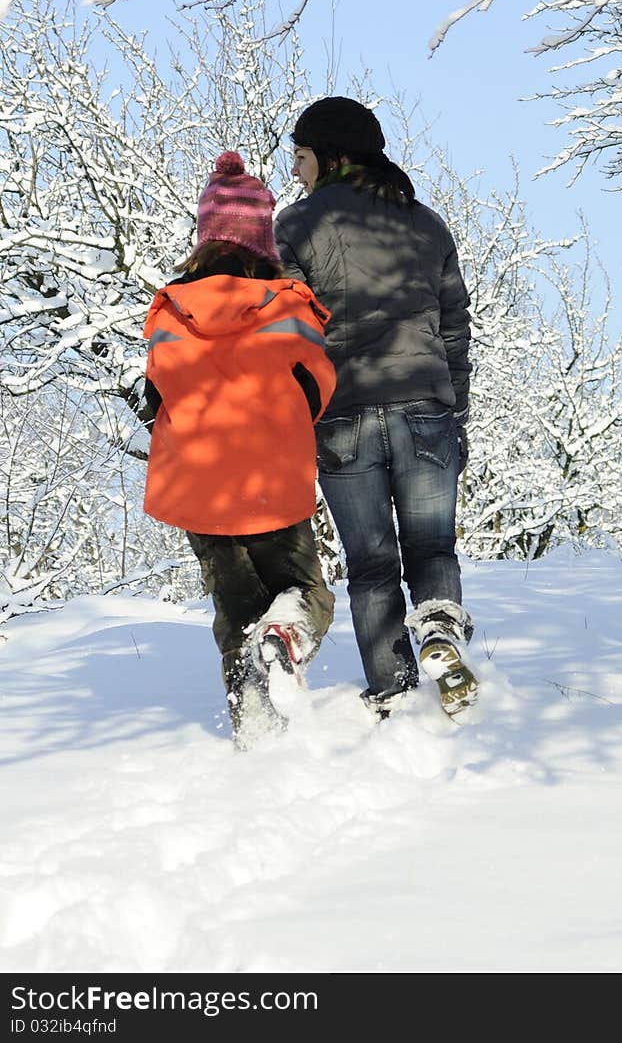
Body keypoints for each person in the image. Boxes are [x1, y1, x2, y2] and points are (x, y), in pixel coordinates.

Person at [274, 96, 478, 719]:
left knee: (370, 563)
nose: (296, 172)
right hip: (425, 406)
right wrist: (455, 410)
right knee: (432, 548)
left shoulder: (296, 226)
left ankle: (391, 690)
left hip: (342, 413)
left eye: (302, 158)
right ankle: (441, 632)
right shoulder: (425, 224)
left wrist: (299, 414)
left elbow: (285, 332)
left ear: (333, 156)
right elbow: (454, 328)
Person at [141, 151, 337, 748]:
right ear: (262, 236)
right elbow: (318, 386)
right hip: (271, 481)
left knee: (235, 606)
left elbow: (155, 394)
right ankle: (285, 641)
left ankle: (255, 732)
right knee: (307, 594)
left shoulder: (170, 310)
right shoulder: (287, 304)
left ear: (204, 235)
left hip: (199, 488)